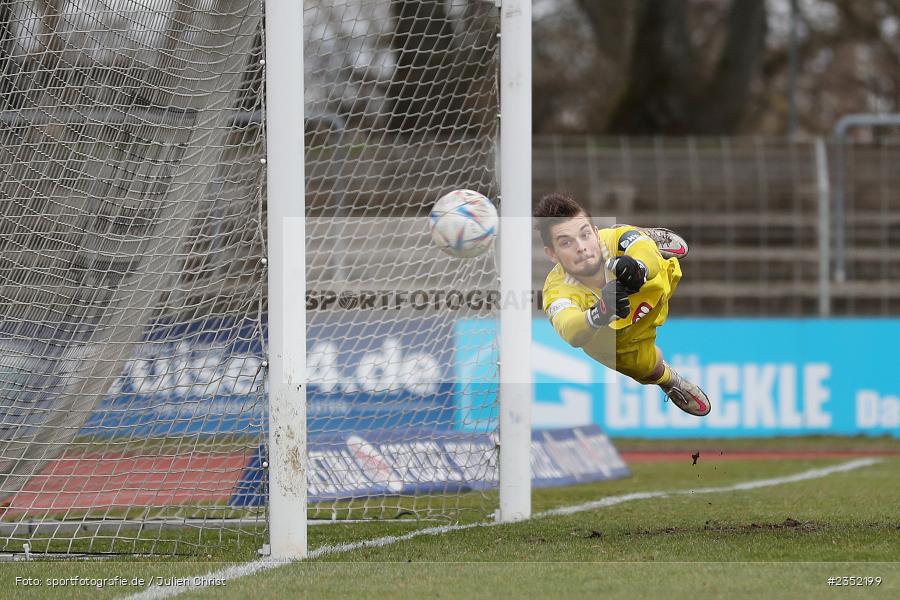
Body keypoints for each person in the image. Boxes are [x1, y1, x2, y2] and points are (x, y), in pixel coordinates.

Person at [535, 192, 710, 417]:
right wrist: (599, 313)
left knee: (647, 257)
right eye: (566, 242)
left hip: (649, 287)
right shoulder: (557, 291)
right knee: (647, 369)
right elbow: (569, 328)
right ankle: (671, 381)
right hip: (616, 337)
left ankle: (642, 240)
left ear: (596, 233)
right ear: (552, 254)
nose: (581, 247)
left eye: (585, 235)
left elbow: (645, 260)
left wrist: (639, 267)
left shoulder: (611, 239)